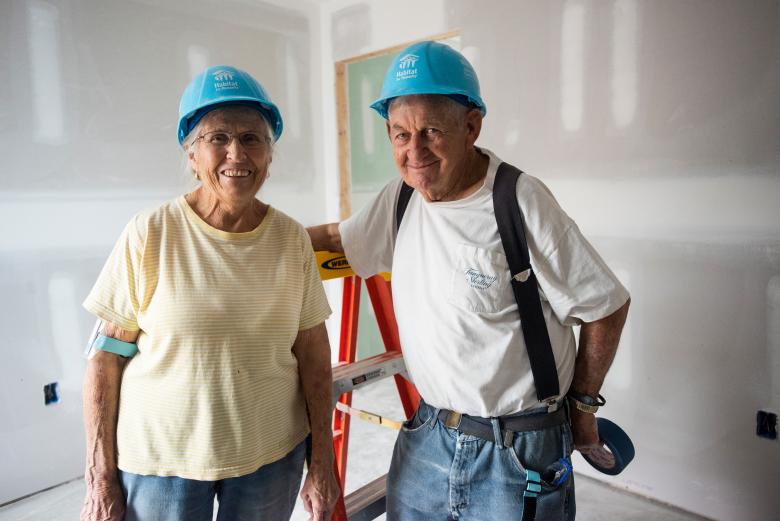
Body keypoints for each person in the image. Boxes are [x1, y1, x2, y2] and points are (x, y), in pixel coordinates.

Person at [308, 41, 630, 520]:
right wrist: (257, 238)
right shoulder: (402, 196)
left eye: (430, 131)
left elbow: (604, 305)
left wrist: (582, 411)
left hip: (519, 449)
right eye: (399, 135)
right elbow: (340, 238)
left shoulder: (518, 200)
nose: (413, 151)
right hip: (427, 436)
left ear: (472, 126)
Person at [81, 65, 340, 521]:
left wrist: (323, 458)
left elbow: (313, 351)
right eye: (217, 138)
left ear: (269, 155)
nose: (235, 153)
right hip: (163, 466)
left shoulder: (290, 238)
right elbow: (105, 357)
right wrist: (99, 475)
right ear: (192, 157)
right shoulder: (151, 233)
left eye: (251, 138)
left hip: (272, 459)